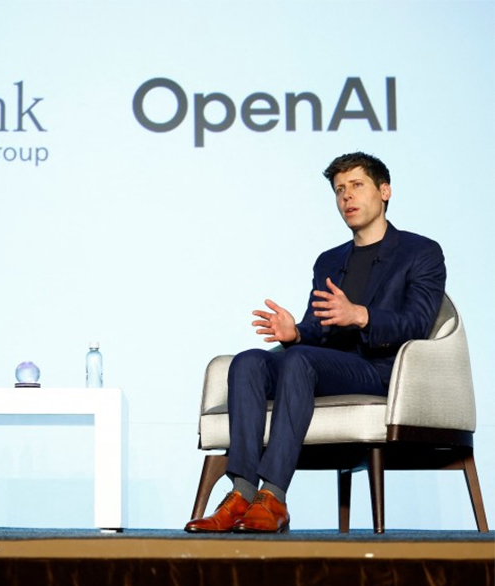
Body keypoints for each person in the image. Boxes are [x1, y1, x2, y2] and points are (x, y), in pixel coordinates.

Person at [184, 152, 446, 533]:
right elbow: (318, 328)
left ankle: (273, 497)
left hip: (380, 370)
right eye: (339, 190)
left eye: (357, 186)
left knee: (300, 361)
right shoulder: (329, 260)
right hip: (325, 364)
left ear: (384, 191)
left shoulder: (420, 252)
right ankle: (242, 493)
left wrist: (361, 315)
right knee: (248, 362)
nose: (347, 197)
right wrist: (296, 333)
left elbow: (418, 323)